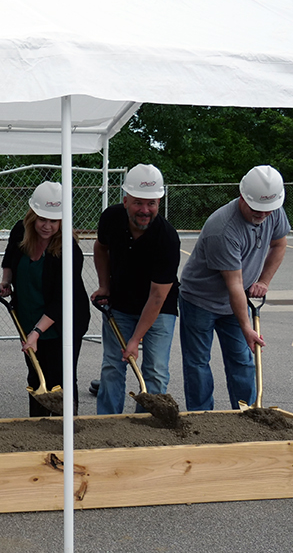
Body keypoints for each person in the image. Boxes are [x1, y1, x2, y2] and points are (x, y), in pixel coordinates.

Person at [179, 165, 290, 411]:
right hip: (200, 300)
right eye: (256, 210)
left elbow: (279, 244)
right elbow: (235, 285)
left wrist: (263, 281)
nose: (262, 215)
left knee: (242, 360)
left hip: (234, 300)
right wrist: (247, 328)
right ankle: (202, 418)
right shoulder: (222, 229)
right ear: (242, 197)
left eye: (267, 210)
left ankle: (246, 413)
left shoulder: (273, 210)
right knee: (198, 363)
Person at [91, 164, 180, 415]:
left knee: (155, 371)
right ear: (126, 200)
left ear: (159, 202)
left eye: (151, 204)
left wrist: (135, 339)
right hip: (119, 304)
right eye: (139, 203)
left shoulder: (167, 238)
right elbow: (101, 248)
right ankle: (107, 422)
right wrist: (104, 285)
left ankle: (148, 425)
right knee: (112, 366)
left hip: (159, 310)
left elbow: (158, 296)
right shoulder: (111, 218)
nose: (145, 210)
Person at [0, 182, 90, 417]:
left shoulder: (69, 251)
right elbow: (11, 257)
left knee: (61, 377)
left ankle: (66, 429)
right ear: (32, 217)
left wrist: (37, 332)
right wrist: (6, 281)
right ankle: (37, 427)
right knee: (36, 375)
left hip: (63, 323)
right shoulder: (21, 231)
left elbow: (62, 300)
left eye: (54, 221)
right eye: (42, 219)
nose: (47, 226)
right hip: (28, 315)